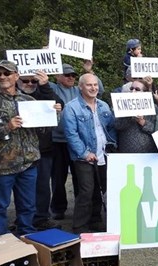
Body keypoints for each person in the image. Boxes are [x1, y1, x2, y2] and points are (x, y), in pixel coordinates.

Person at [62, 73, 117, 233]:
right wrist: (84, 153)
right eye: (89, 85)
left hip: (104, 154)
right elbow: (71, 134)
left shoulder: (103, 105)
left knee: (101, 189)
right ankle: (80, 226)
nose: (93, 88)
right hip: (84, 157)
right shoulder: (71, 108)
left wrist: (112, 144)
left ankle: (95, 220)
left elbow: (112, 126)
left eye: (95, 85)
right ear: (81, 87)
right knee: (86, 191)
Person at [49, 62, 104, 220]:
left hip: (82, 143)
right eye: (67, 75)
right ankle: (58, 209)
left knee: (82, 180)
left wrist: (89, 70)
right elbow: (41, 85)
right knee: (59, 178)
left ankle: (83, 212)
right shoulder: (53, 88)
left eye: (73, 75)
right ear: (57, 76)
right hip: (59, 140)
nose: (70, 77)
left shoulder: (79, 89)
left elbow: (97, 90)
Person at [0, 61, 40, 236]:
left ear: (16, 76)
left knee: (28, 205)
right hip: (2, 165)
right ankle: (1, 242)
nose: (2, 77)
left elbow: (44, 129)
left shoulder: (28, 100)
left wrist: (52, 113)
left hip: (28, 162)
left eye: (7, 73)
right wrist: (7, 127)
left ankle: (27, 237)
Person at [17, 70, 64, 231]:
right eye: (26, 81)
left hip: (43, 149)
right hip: (18, 151)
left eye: (33, 81)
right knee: (21, 189)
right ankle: (22, 219)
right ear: (17, 80)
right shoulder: (13, 96)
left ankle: (41, 217)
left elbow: (59, 103)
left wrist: (44, 85)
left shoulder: (43, 92)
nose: (30, 84)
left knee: (43, 186)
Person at [115, 79, 158, 153]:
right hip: (126, 154)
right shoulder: (122, 106)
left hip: (148, 155)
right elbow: (117, 126)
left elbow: (157, 130)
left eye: (137, 89)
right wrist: (128, 115)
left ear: (145, 93)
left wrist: (143, 122)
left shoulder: (153, 108)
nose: (133, 91)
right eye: (131, 89)